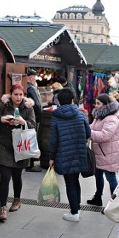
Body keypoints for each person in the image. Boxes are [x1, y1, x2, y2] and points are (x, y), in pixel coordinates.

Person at [0, 84, 36, 222]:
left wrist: (23, 122)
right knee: (4, 177)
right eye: (16, 94)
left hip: (21, 147)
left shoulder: (28, 108)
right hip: (4, 147)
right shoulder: (4, 106)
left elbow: (33, 125)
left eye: (21, 94)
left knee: (17, 176)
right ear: (11, 95)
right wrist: (1, 119)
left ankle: (17, 200)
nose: (18, 97)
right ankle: (2, 207)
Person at [49, 88, 91, 222]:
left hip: (64, 154)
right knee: (75, 180)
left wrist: (51, 157)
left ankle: (74, 212)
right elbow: (88, 134)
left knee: (70, 182)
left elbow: (53, 140)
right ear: (72, 100)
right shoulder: (80, 115)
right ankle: (76, 209)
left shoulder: (55, 116)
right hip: (79, 152)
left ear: (59, 102)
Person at [86, 94, 119, 207]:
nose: (96, 106)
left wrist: (88, 133)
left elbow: (104, 136)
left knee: (111, 178)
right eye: (95, 103)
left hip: (107, 154)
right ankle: (98, 197)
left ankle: (114, 203)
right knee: (98, 176)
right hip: (99, 153)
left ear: (105, 105)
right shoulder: (99, 116)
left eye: (98, 103)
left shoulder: (112, 118)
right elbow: (91, 127)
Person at [25, 69, 43, 172]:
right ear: (30, 77)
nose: (35, 78)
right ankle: (30, 164)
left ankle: (29, 163)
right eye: (34, 76)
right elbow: (38, 104)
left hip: (31, 117)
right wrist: (40, 116)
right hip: (34, 117)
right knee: (32, 140)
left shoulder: (30, 87)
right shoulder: (31, 88)